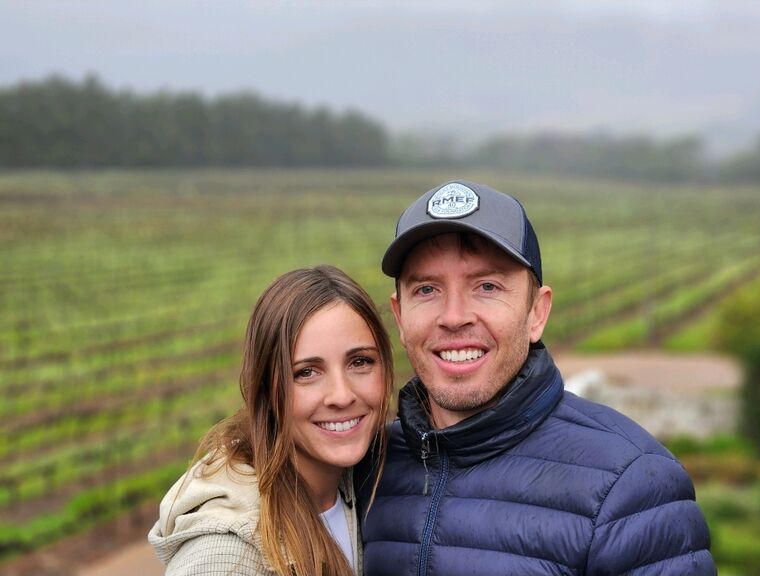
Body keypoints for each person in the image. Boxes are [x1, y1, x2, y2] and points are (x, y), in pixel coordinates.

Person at [358, 181, 715, 575]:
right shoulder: (366, 466)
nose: (454, 315)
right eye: (427, 289)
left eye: (487, 286)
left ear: (537, 313)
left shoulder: (632, 488)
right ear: (400, 317)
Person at [149, 265, 394, 576]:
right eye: (306, 372)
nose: (342, 395)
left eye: (360, 362)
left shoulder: (367, 485)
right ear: (265, 389)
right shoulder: (226, 555)